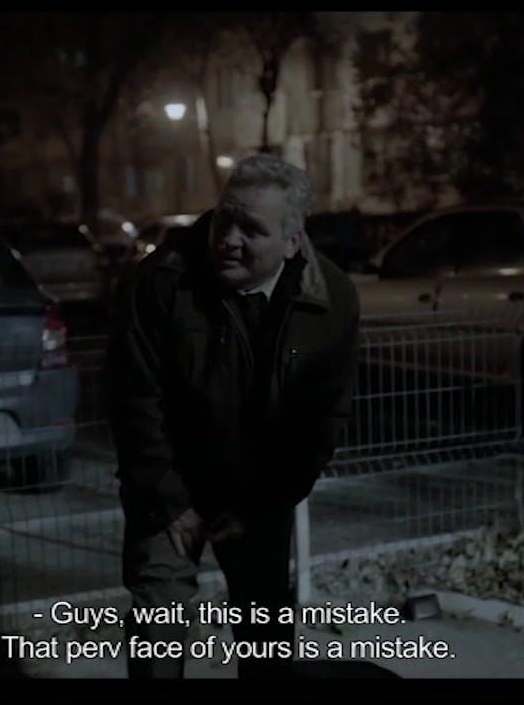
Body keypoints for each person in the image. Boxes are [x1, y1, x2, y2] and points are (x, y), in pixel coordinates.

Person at [106, 154, 361, 679]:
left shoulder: (330, 299)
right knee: (158, 622)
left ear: (292, 242)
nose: (228, 239)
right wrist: (171, 501)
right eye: (224, 219)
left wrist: (266, 500)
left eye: (252, 230)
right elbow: (133, 399)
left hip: (258, 490)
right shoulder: (162, 280)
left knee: (265, 630)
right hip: (168, 482)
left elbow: (321, 418)